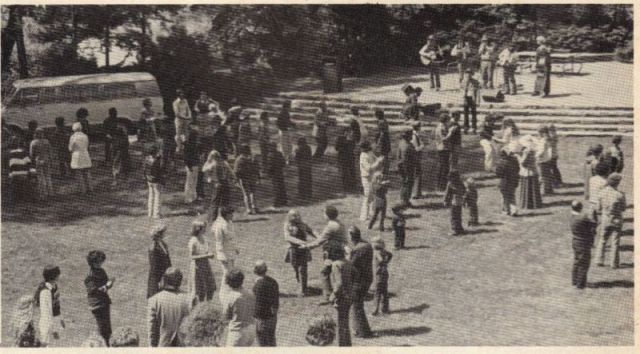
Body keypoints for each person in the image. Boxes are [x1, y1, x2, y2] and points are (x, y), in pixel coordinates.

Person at [304, 205, 348, 304]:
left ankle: (328, 296)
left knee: (324, 272)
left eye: (324, 213)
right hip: (340, 250)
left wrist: (307, 246)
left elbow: (320, 241)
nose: (323, 215)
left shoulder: (330, 226)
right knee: (335, 273)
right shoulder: (339, 223)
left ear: (328, 215)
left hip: (333, 253)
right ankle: (336, 294)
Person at [148, 267, 192, 347]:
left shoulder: (154, 300)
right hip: (185, 346)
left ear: (165, 280)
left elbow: (152, 331)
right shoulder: (189, 299)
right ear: (180, 281)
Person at [595, 173, 626, 269]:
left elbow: (598, 208)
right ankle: (614, 263)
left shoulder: (601, 192)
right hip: (616, 220)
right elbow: (623, 208)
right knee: (615, 242)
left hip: (605, 219)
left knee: (602, 239)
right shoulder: (620, 195)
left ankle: (599, 260)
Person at [348, 226, 374, 338]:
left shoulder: (357, 249)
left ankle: (363, 331)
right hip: (368, 278)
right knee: (358, 304)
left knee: (357, 305)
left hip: (358, 281)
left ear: (350, 236)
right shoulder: (367, 245)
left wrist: (347, 254)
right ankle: (358, 328)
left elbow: (350, 264)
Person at [284, 209, 317, 296]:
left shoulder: (303, 224)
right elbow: (287, 237)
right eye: (294, 215)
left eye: (298, 215)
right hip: (293, 249)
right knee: (295, 266)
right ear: (290, 217)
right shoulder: (287, 225)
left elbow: (311, 231)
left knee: (303, 268)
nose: (297, 217)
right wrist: (299, 242)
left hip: (303, 249)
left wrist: (319, 236)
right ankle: (300, 280)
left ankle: (303, 289)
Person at [84, 250, 114, 346]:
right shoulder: (90, 276)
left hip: (104, 302)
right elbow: (93, 290)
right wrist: (106, 286)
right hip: (97, 305)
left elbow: (105, 283)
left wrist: (109, 284)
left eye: (101, 261)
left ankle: (107, 345)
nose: (101, 263)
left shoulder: (101, 271)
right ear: (93, 262)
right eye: (99, 261)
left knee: (107, 328)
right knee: (103, 329)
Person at [221, 269, 256, 347]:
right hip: (251, 329)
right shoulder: (250, 294)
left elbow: (226, 316)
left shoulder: (230, 297)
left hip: (237, 332)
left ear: (229, 282)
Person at [327, 244, 354, 346]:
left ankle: (343, 346)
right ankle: (347, 344)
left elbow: (339, 283)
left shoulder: (336, 265)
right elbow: (355, 275)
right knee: (345, 322)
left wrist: (333, 295)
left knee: (341, 323)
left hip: (341, 297)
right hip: (349, 295)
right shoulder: (347, 262)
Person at [202, 150, 237, 222]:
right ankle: (225, 218)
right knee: (225, 201)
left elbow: (203, 169)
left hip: (217, 184)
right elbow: (231, 172)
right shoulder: (224, 163)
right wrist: (233, 179)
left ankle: (213, 218)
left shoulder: (212, 164)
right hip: (225, 183)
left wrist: (208, 161)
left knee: (215, 202)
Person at [35, 265, 64, 347]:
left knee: (56, 345)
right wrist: (53, 328)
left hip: (55, 320)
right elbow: (46, 312)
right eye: (58, 274)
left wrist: (61, 319)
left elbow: (57, 306)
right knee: (46, 345)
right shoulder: (45, 292)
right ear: (54, 276)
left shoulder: (54, 287)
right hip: (47, 323)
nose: (59, 276)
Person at [569, 201, 596, 289]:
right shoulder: (582, 218)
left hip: (575, 241)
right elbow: (594, 223)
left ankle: (575, 281)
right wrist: (592, 212)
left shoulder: (572, 217)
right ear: (580, 208)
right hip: (583, 243)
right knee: (584, 263)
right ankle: (581, 284)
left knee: (577, 261)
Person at [253, 260, 279, 346]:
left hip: (262, 318)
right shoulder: (273, 282)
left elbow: (257, 304)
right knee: (272, 340)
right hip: (272, 316)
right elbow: (275, 301)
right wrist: (274, 315)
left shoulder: (258, 285)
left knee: (262, 343)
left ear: (255, 271)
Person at [188, 220, 216, 303]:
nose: (205, 229)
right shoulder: (193, 241)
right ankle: (200, 307)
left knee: (210, 288)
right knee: (201, 291)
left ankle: (208, 306)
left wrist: (209, 254)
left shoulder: (204, 238)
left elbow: (206, 251)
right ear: (198, 229)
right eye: (204, 227)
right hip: (197, 267)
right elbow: (191, 257)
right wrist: (206, 256)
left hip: (206, 265)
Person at [359, 140, 383, 221]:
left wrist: (379, 159)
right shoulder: (363, 156)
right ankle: (363, 216)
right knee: (367, 196)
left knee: (372, 196)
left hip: (372, 177)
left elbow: (376, 159)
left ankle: (372, 214)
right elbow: (369, 168)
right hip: (366, 178)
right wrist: (378, 161)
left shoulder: (370, 152)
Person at [213, 206, 239, 279]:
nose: (232, 215)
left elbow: (233, 238)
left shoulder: (230, 223)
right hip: (224, 252)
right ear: (226, 215)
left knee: (232, 271)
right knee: (227, 272)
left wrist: (235, 248)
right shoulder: (219, 225)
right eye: (231, 214)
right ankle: (224, 290)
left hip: (231, 250)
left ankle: (231, 288)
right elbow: (219, 240)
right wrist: (223, 255)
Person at [7, 136, 36, 202]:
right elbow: (29, 163)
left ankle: (15, 198)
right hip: (23, 174)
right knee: (25, 182)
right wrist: (32, 172)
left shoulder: (8, 153)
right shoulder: (23, 152)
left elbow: (8, 166)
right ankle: (26, 197)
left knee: (14, 185)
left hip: (13, 175)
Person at [517, 138, 543, 210]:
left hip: (526, 171)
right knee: (533, 190)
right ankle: (535, 203)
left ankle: (526, 204)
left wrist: (518, 157)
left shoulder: (526, 151)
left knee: (527, 189)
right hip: (533, 171)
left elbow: (523, 163)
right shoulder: (534, 151)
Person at [147, 223, 172, 299]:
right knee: (156, 297)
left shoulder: (163, 244)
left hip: (166, 273)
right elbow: (154, 266)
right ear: (159, 234)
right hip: (157, 276)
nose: (165, 233)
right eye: (163, 232)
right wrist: (159, 280)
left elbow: (167, 259)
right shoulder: (153, 248)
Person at [30, 128, 55, 200]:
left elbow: (31, 154)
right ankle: (50, 193)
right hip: (47, 160)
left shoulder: (33, 142)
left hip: (38, 160)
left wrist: (32, 161)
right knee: (48, 177)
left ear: (35, 134)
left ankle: (43, 194)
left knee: (41, 178)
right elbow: (50, 152)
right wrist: (51, 160)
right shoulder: (47, 141)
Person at [495, 147, 520, 216]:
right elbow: (518, 169)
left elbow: (498, 173)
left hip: (504, 182)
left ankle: (506, 210)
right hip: (513, 181)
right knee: (512, 195)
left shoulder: (501, 163)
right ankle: (514, 210)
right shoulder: (514, 161)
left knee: (504, 196)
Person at [234, 145, 259, 214]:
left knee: (246, 194)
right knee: (253, 193)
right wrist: (257, 176)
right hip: (252, 177)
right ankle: (255, 206)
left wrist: (236, 180)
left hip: (244, 178)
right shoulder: (252, 158)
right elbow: (257, 168)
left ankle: (249, 209)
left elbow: (236, 171)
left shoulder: (239, 159)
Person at [69, 122, 92, 194]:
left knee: (79, 173)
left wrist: (71, 150)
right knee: (87, 172)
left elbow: (70, 148)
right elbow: (87, 145)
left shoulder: (73, 137)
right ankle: (90, 188)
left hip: (77, 155)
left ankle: (82, 190)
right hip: (85, 154)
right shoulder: (85, 136)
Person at [371, 237, 392, 316]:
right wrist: (387, 262)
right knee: (384, 292)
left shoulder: (377, 252)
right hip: (385, 273)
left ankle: (375, 310)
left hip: (379, 274)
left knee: (377, 292)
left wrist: (383, 262)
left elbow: (381, 260)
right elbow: (390, 255)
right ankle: (385, 309)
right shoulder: (384, 251)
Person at [143, 144, 165, 219]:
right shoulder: (156, 161)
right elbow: (160, 170)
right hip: (156, 181)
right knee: (157, 197)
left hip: (149, 179)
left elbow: (144, 169)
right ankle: (156, 214)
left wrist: (146, 177)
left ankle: (150, 213)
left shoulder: (146, 159)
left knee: (151, 196)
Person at [398, 130, 417, 208]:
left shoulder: (402, 143)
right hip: (407, 168)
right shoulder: (406, 146)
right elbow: (404, 160)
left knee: (406, 184)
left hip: (405, 167)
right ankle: (404, 201)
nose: (412, 137)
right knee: (407, 184)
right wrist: (406, 172)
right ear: (408, 136)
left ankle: (405, 200)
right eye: (410, 135)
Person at [444, 170, 466, 236]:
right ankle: (459, 228)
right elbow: (464, 190)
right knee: (458, 215)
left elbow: (447, 193)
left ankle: (455, 230)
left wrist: (445, 200)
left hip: (454, 202)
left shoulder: (450, 184)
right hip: (459, 201)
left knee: (453, 216)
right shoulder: (460, 183)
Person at [183, 125, 201, 204]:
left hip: (195, 164)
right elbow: (186, 156)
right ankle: (187, 198)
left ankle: (193, 196)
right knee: (189, 181)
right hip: (191, 165)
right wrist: (189, 165)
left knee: (194, 181)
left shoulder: (195, 145)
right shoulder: (188, 145)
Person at [335, 126, 357, 191]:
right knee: (344, 172)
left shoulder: (352, 139)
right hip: (343, 157)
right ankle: (346, 187)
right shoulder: (340, 138)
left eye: (351, 132)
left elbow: (353, 148)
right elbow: (336, 148)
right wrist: (345, 146)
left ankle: (353, 186)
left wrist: (350, 142)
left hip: (350, 157)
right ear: (345, 132)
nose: (351, 133)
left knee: (352, 172)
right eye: (349, 132)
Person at [267, 142, 288, 208]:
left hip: (274, 174)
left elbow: (270, 166)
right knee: (282, 187)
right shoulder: (279, 153)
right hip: (280, 172)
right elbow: (283, 163)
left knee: (276, 188)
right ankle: (284, 201)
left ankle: (276, 203)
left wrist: (269, 174)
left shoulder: (270, 155)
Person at [535, 125, 554, 196]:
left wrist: (536, 155)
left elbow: (542, 150)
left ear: (543, 133)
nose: (538, 134)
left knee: (542, 175)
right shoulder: (547, 139)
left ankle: (543, 190)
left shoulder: (543, 141)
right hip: (546, 159)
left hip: (542, 160)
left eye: (539, 133)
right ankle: (549, 189)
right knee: (547, 175)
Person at [434, 113, 450, 192]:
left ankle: (442, 186)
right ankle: (441, 186)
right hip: (443, 149)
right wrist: (450, 134)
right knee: (443, 168)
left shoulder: (441, 126)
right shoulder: (441, 128)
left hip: (442, 148)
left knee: (443, 167)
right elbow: (444, 138)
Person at [461, 69, 481, 134]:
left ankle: (474, 128)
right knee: (466, 114)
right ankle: (466, 127)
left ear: (471, 74)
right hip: (466, 98)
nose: (468, 75)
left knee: (473, 114)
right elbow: (461, 89)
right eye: (467, 73)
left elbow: (478, 92)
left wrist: (478, 101)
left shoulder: (475, 82)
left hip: (472, 98)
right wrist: (462, 96)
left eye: (469, 73)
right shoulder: (463, 81)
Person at [173, 89, 192, 153]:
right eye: (181, 93)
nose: (182, 95)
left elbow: (188, 109)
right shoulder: (175, 103)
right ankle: (179, 147)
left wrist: (189, 116)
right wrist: (186, 117)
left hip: (185, 120)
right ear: (178, 95)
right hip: (179, 120)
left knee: (186, 133)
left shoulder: (185, 101)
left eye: (183, 93)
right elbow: (177, 114)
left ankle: (186, 147)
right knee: (178, 134)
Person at [374, 109, 391, 176]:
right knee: (385, 155)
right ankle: (385, 169)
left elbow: (382, 133)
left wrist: (378, 142)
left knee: (383, 155)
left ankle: (384, 170)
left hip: (383, 141)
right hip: (386, 140)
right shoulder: (384, 121)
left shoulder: (381, 122)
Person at [411, 121, 426, 198]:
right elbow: (416, 148)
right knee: (417, 174)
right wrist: (422, 146)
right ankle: (416, 193)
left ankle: (418, 192)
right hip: (415, 157)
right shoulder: (414, 136)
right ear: (418, 127)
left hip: (416, 157)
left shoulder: (416, 135)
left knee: (418, 174)